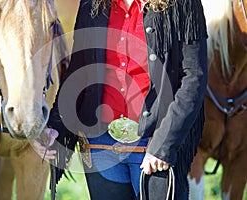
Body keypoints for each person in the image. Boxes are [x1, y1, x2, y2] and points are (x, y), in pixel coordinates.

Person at [46, 0, 208, 199]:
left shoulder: (182, 4)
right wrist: (56, 126)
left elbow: (193, 78)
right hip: (100, 146)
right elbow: (79, 69)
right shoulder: (92, 4)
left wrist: (164, 145)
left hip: (153, 146)